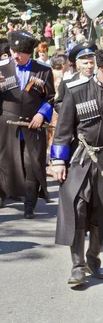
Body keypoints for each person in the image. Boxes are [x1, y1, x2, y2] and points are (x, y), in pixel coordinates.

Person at [0, 30, 54, 218]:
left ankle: (29, 204)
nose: (16, 55)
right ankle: (0, 193)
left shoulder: (43, 70)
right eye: (14, 51)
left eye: (21, 52)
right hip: (7, 123)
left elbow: (52, 98)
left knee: (33, 164)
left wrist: (41, 114)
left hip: (33, 124)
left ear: (30, 53)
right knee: (3, 162)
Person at [51, 48, 103, 285]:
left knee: (100, 212)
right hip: (81, 158)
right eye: (85, 60)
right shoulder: (75, 89)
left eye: (91, 60)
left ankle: (94, 259)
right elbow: (62, 128)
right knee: (77, 208)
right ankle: (78, 266)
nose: (89, 64)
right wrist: (58, 160)